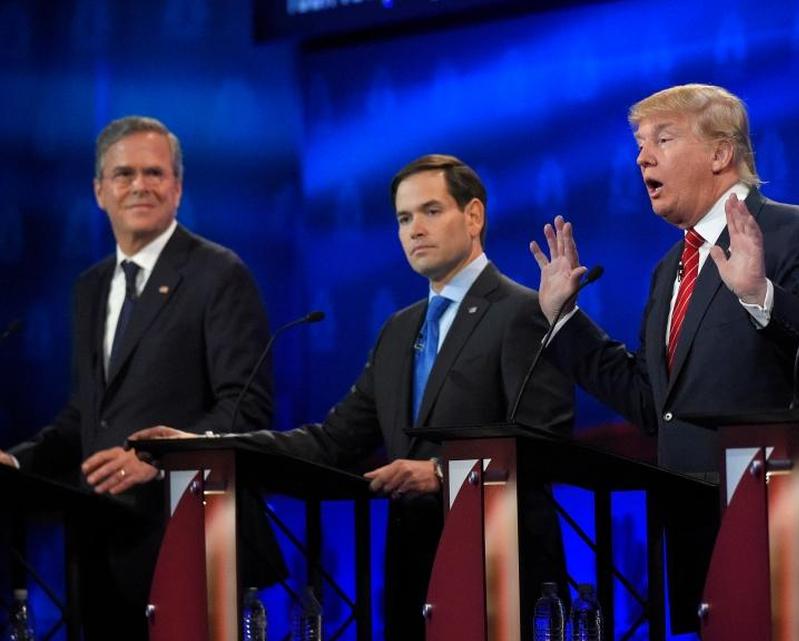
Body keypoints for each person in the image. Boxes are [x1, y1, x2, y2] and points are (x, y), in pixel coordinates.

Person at [135, 154, 575, 640]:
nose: (414, 230)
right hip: (414, 578)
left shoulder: (523, 312)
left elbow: (546, 441)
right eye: (404, 219)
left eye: (431, 211)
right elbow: (332, 441)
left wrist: (438, 475)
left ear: (473, 216)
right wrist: (207, 446)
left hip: (503, 576)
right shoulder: (398, 329)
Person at [530, 83, 799, 627]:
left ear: (720, 153)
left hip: (795, 540)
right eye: (639, 143)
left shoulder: (797, 234)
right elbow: (654, 403)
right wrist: (564, 321)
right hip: (698, 534)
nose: (642, 156)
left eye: (662, 139)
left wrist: (760, 295)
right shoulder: (671, 267)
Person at [0, 116, 274, 639]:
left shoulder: (218, 272)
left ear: (178, 186)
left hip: (187, 535)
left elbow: (244, 406)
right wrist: (17, 461)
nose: (140, 185)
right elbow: (86, 415)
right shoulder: (91, 286)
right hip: (98, 542)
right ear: (99, 191)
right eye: (123, 174)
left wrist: (155, 460)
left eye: (154, 172)